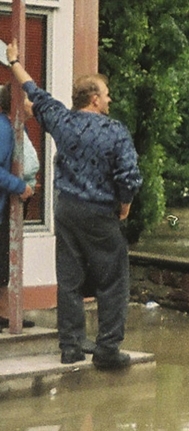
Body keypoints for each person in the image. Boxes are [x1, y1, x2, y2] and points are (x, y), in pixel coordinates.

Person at [4, 45, 142, 367]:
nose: (109, 100)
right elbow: (129, 175)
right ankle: (107, 349)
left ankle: (71, 346)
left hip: (66, 209)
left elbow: (33, 91)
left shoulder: (62, 121)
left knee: (69, 278)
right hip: (100, 212)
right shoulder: (115, 131)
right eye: (106, 95)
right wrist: (125, 204)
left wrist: (14, 62)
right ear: (94, 99)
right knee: (113, 280)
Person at [0, 83, 38, 328]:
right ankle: (6, 315)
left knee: (4, 262)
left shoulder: (14, 128)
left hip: (9, 204)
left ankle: (7, 313)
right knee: (3, 261)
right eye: (27, 99)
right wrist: (19, 186)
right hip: (5, 204)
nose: (31, 104)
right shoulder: (4, 130)